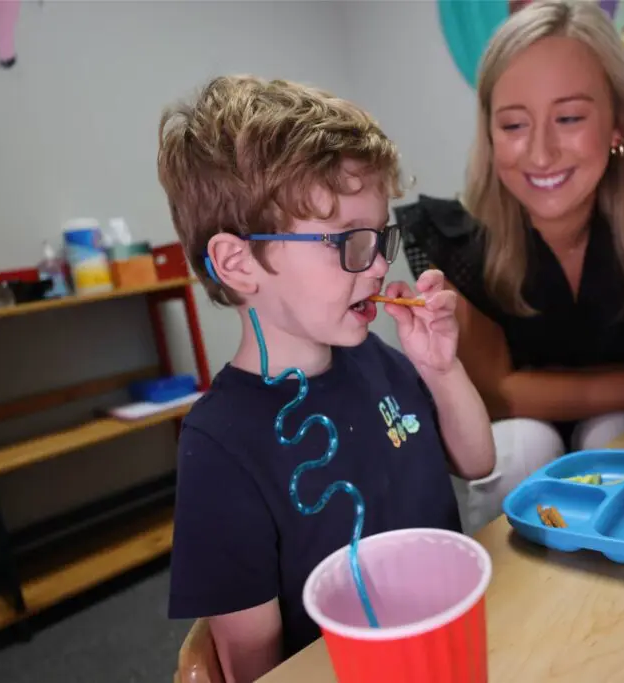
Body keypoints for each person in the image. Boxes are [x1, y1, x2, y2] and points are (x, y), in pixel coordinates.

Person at [156, 75, 495, 682]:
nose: (377, 264)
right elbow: (255, 667)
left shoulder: (378, 359)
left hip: (444, 653)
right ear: (239, 263)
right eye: (347, 242)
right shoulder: (219, 447)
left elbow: (475, 460)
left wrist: (440, 368)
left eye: (380, 237)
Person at [398, 0, 624, 532]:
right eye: (513, 124)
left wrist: (621, 397)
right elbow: (495, 396)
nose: (542, 153)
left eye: (569, 118)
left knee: (617, 433)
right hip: (513, 444)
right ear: (489, 133)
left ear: (618, 124)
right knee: (523, 444)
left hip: (622, 438)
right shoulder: (454, 241)